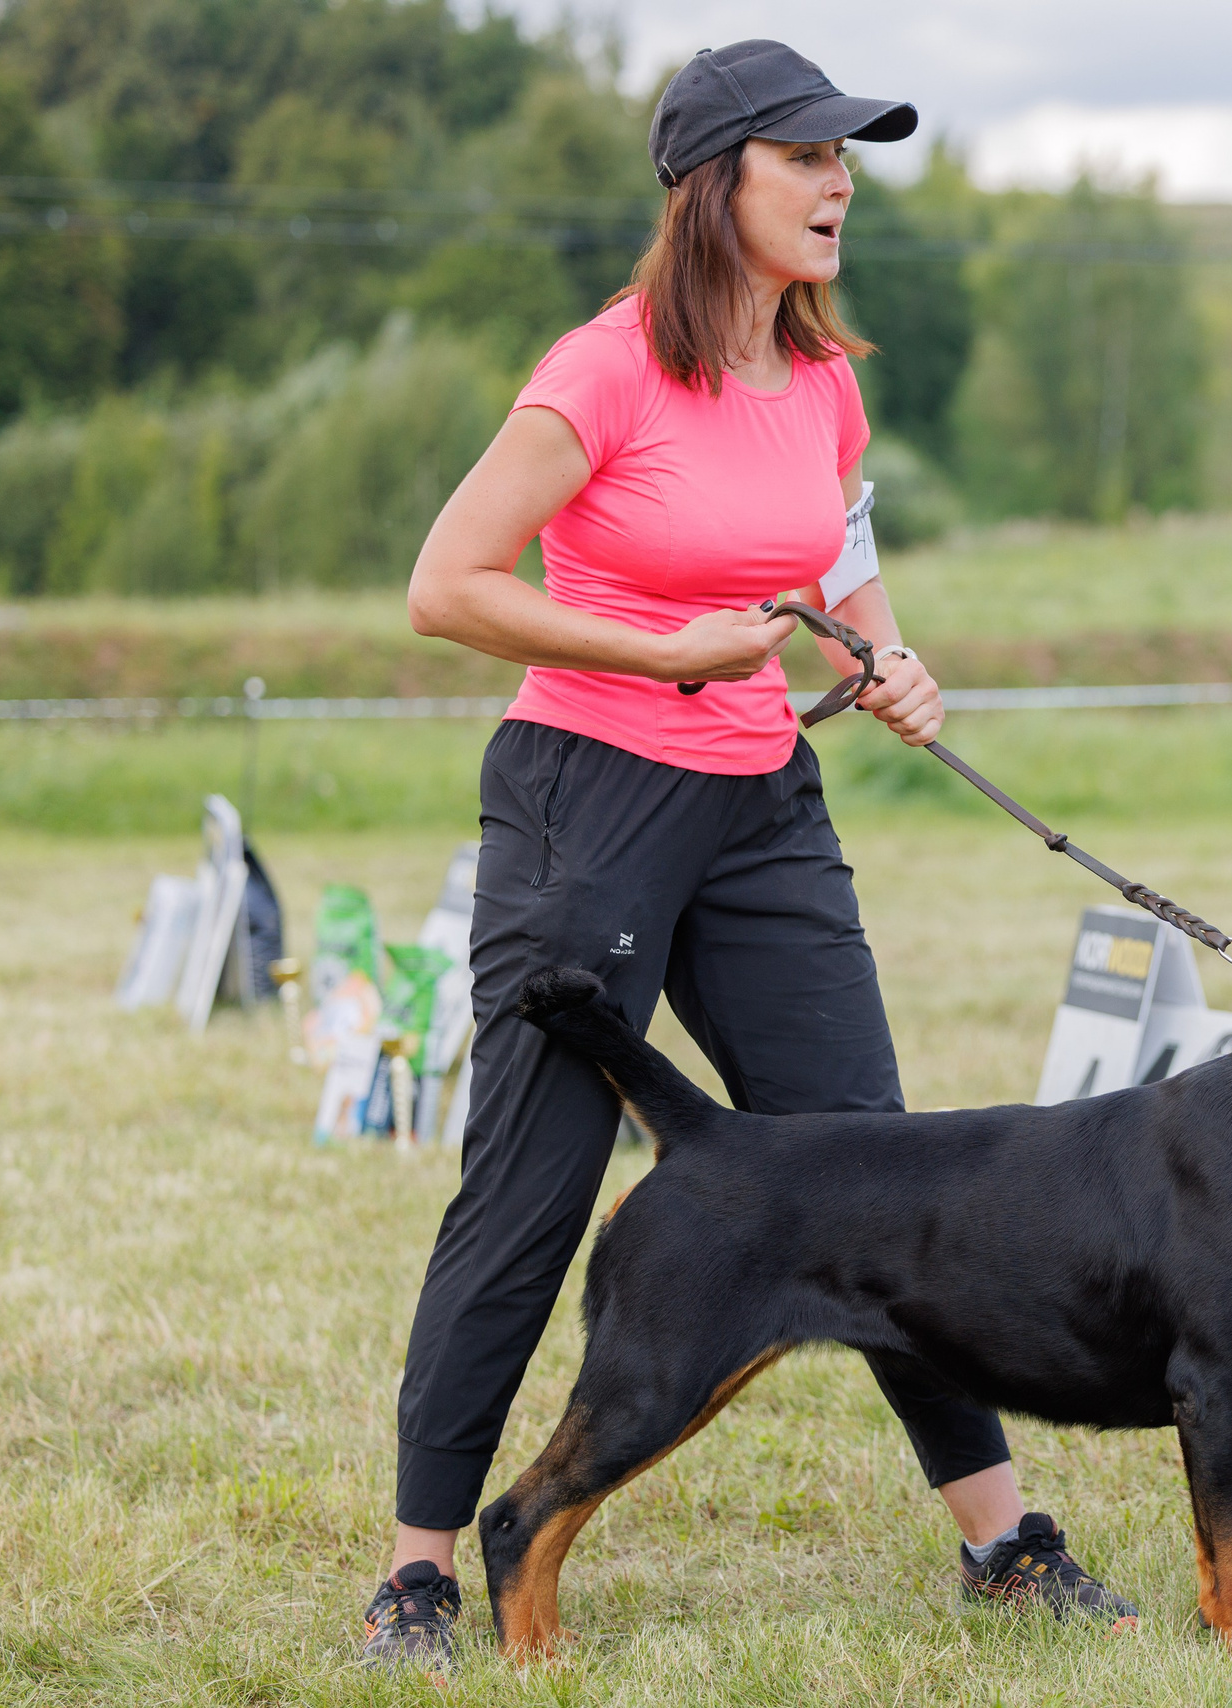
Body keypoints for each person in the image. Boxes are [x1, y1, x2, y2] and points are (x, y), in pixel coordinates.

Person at [360, 40, 1137, 1672]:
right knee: (535, 1184)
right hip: (590, 799)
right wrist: (660, 656)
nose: (843, 182)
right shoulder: (603, 374)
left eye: (849, 158)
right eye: (810, 157)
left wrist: (884, 658)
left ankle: (1002, 1546)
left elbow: (836, 551)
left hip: (764, 798)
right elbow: (447, 584)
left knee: (880, 1167)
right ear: (717, 183)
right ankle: (423, 1577)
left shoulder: (826, 379)